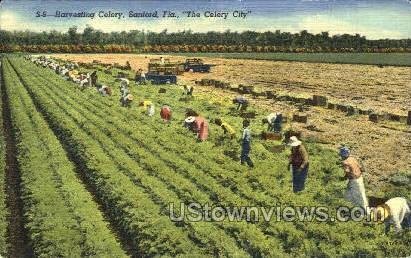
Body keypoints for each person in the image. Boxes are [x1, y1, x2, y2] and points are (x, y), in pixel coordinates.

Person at [339, 147, 369, 211]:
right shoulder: (353, 158)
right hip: (360, 178)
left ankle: (363, 211)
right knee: (349, 194)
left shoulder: (345, 162)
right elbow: (361, 168)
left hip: (354, 180)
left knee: (358, 196)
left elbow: (347, 172)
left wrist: (343, 178)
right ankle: (348, 208)